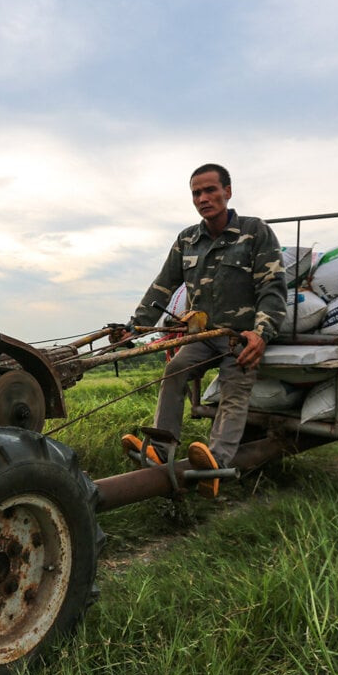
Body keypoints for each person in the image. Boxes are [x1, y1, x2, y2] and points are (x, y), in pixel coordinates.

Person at [118, 164, 286, 492]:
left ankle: (218, 462)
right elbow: (162, 287)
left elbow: (273, 287)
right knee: (174, 370)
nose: (204, 198)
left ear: (228, 191)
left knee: (234, 387)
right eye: (197, 193)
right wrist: (135, 327)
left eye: (211, 190)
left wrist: (261, 333)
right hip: (203, 336)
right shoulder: (187, 240)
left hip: (239, 337)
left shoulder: (255, 232)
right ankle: (161, 450)